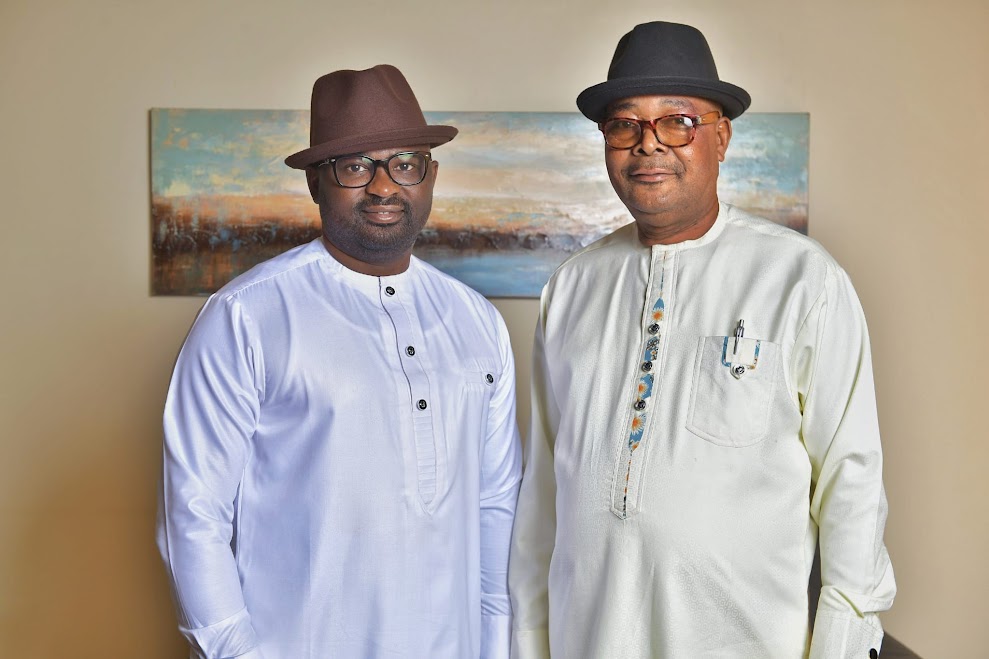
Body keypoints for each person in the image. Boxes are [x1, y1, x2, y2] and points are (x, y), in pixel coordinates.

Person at [508, 21, 895, 659]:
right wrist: (529, 642)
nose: (648, 143)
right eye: (624, 124)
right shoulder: (571, 289)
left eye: (678, 121)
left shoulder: (800, 281)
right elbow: (543, 496)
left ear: (722, 136)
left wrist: (843, 645)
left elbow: (851, 481)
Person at [157, 64, 522, 659]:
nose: (383, 187)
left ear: (430, 175)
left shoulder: (477, 321)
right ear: (315, 182)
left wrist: (496, 649)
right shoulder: (246, 315)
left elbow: (495, 507)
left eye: (405, 164)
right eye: (355, 166)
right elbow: (192, 515)